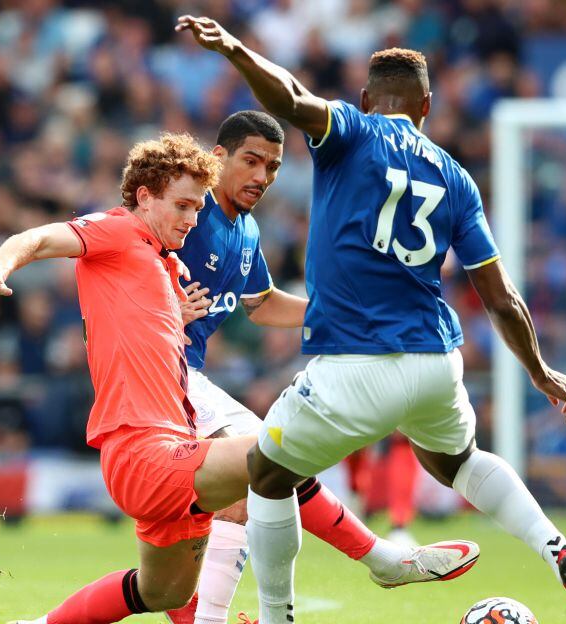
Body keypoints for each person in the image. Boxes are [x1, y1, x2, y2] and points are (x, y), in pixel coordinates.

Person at [176, 16, 566, 624]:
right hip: (437, 363)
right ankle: (558, 549)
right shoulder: (456, 176)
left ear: (368, 99)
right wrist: (541, 369)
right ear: (426, 105)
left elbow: (287, 98)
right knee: (458, 461)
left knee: (265, 475)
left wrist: (233, 46)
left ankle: (275, 615)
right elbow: (500, 297)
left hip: (356, 366)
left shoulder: (352, 129)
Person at [0, 132, 474, 624]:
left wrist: (173, 319)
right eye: (181, 205)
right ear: (144, 197)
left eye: (198, 208)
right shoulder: (119, 230)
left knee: (162, 591)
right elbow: (42, 236)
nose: (191, 217)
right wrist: (0, 266)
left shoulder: (167, 270)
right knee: (279, 452)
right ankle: (382, 559)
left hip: (159, 454)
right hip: (145, 452)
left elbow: (133, 330)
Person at [175, 110, 479, 624]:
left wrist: (344, 311)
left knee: (225, 502)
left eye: (271, 167)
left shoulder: (244, 231)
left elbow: (263, 303)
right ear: (216, 157)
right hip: (156, 373)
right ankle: (383, 558)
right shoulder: (185, 209)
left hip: (185, 376)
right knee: (269, 454)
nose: (261, 177)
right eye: (251, 161)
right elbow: (122, 256)